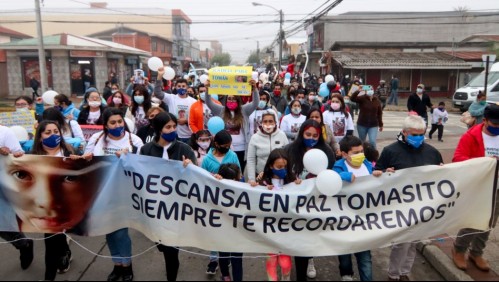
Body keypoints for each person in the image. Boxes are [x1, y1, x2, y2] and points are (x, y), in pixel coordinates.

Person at [375, 115, 443, 281]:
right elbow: (377, 172)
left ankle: (404, 272)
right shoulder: (390, 151)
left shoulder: (432, 152)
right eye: (414, 134)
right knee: (402, 243)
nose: (418, 137)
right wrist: (384, 173)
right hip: (399, 205)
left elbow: (441, 175)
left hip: (423, 205)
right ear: (404, 133)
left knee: (414, 241)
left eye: (421, 134)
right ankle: (393, 274)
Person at [83, 108, 144, 281]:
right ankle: (117, 265)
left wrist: (128, 157)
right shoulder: (97, 139)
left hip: (124, 193)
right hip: (101, 192)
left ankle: (127, 266)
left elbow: (143, 167)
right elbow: (87, 159)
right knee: (108, 230)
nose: (118, 125)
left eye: (120, 122)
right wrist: (86, 158)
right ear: (106, 124)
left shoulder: (134, 140)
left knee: (120, 232)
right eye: (113, 123)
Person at [140, 111, 196, 282]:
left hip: (176, 210)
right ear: (158, 129)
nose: (172, 130)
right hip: (155, 209)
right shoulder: (146, 149)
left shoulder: (184, 148)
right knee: (162, 245)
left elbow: (197, 177)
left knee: (171, 251)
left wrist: (191, 167)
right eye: (168, 127)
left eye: (174, 126)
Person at [284, 120, 336, 281]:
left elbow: (331, 175)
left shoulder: (326, 151)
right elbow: (280, 171)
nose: (311, 138)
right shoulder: (289, 149)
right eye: (308, 134)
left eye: (315, 135)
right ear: (301, 134)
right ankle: (286, 268)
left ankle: (303, 271)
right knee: (293, 242)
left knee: (305, 245)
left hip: (315, 206)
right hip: (293, 204)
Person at [452, 104, 499, 273]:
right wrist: (485, 162)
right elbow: (458, 159)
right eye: (495, 125)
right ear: (484, 120)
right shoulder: (471, 136)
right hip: (479, 186)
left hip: (497, 187)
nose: (498, 128)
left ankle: (476, 252)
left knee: (489, 222)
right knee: (473, 220)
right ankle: (459, 249)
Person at [333, 136, 383, 281]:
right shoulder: (338, 166)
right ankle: (346, 274)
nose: (360, 155)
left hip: (364, 221)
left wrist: (378, 174)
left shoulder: (367, 164)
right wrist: (344, 175)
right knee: (345, 256)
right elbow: (329, 178)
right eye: (355, 153)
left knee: (365, 258)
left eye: (361, 151)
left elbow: (377, 181)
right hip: (344, 221)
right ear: (344, 154)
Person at [201, 130, 241, 275]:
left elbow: (239, 176)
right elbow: (202, 179)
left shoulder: (233, 155)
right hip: (213, 200)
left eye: (229, 145)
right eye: (224, 145)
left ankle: (226, 254)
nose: (227, 148)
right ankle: (213, 259)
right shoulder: (206, 160)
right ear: (216, 144)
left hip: (230, 201)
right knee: (214, 229)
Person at [258, 149, 301, 281]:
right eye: (279, 167)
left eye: (285, 166)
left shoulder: (291, 180)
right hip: (269, 229)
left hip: (287, 229)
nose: (283, 169)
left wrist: (299, 185)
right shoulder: (264, 182)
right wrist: (258, 187)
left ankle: (286, 277)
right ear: (271, 166)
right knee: (271, 259)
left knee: (285, 262)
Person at [205, 80, 260, 172]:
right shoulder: (220, 110)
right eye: (229, 99)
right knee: (225, 172)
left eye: (234, 99)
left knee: (239, 171)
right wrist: (207, 89)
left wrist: (254, 89)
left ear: (238, 101)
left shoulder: (244, 110)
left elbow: (255, 103)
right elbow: (209, 102)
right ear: (226, 100)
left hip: (242, 148)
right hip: (225, 148)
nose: (231, 100)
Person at [0, 125, 34, 271]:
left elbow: (19, 158)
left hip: (3, 186)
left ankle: (22, 244)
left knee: (2, 224)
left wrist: (7, 153)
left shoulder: (4, 132)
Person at [215, 163, 245, 282]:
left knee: (234, 258)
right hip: (224, 230)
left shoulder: (242, 185)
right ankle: (226, 276)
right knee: (224, 255)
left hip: (235, 231)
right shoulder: (215, 185)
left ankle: (230, 277)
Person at [156, 68, 197, 144]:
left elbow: (197, 119)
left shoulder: (194, 102)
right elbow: (157, 93)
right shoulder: (171, 98)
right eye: (179, 86)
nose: (181, 88)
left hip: (189, 136)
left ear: (187, 87)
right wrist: (159, 77)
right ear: (175, 87)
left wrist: (186, 121)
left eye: (183, 86)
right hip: (174, 134)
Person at [248, 111, 289, 187]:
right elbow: (251, 159)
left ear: (275, 122)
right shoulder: (255, 137)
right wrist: (252, 179)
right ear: (261, 123)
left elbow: (288, 156)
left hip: (279, 176)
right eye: (265, 121)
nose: (268, 124)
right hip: (261, 177)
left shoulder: (282, 135)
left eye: (270, 121)